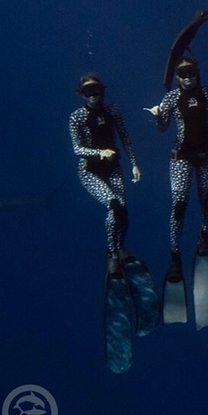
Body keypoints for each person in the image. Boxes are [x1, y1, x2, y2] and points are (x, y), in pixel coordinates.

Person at [145, 57, 208, 283]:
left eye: (191, 72)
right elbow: (162, 129)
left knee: (206, 199)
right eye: (183, 73)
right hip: (181, 158)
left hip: (207, 156)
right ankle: (174, 255)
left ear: (198, 72)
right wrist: (158, 115)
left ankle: (204, 236)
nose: (187, 77)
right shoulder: (171, 98)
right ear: (177, 77)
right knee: (179, 204)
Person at [69, 74, 141, 274]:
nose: (93, 96)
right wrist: (99, 153)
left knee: (124, 212)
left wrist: (134, 164)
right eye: (87, 92)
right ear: (81, 95)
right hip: (89, 171)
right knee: (114, 206)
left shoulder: (112, 111)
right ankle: (112, 254)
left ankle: (120, 246)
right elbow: (77, 149)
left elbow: (125, 139)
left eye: (96, 90)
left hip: (113, 168)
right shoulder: (77, 117)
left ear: (103, 90)